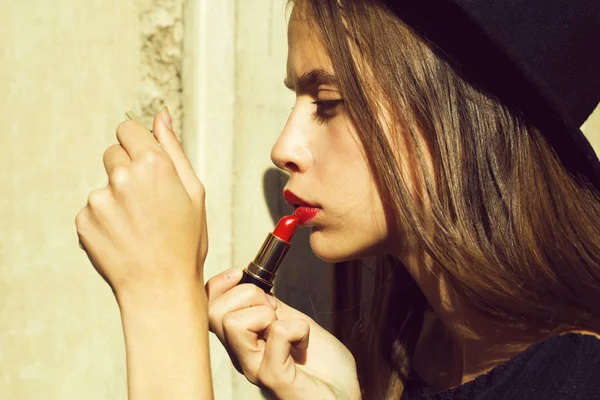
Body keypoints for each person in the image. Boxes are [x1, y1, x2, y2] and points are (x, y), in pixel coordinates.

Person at [75, 0, 600, 399]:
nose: (284, 149)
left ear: (460, 125)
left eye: (327, 103)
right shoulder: (423, 350)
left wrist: (160, 297)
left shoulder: (575, 379)